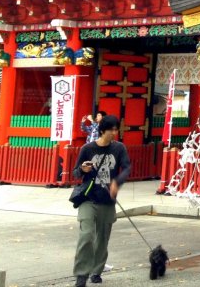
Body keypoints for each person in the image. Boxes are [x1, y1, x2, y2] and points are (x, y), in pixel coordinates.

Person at [72, 114, 131, 287]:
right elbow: (76, 172)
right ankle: (81, 274)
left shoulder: (119, 148)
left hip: (107, 199)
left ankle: (96, 270)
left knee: (103, 238)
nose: (114, 133)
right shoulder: (87, 149)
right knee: (87, 235)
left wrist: (117, 182)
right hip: (88, 197)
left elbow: (127, 167)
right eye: (111, 130)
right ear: (102, 130)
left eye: (116, 129)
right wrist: (82, 169)